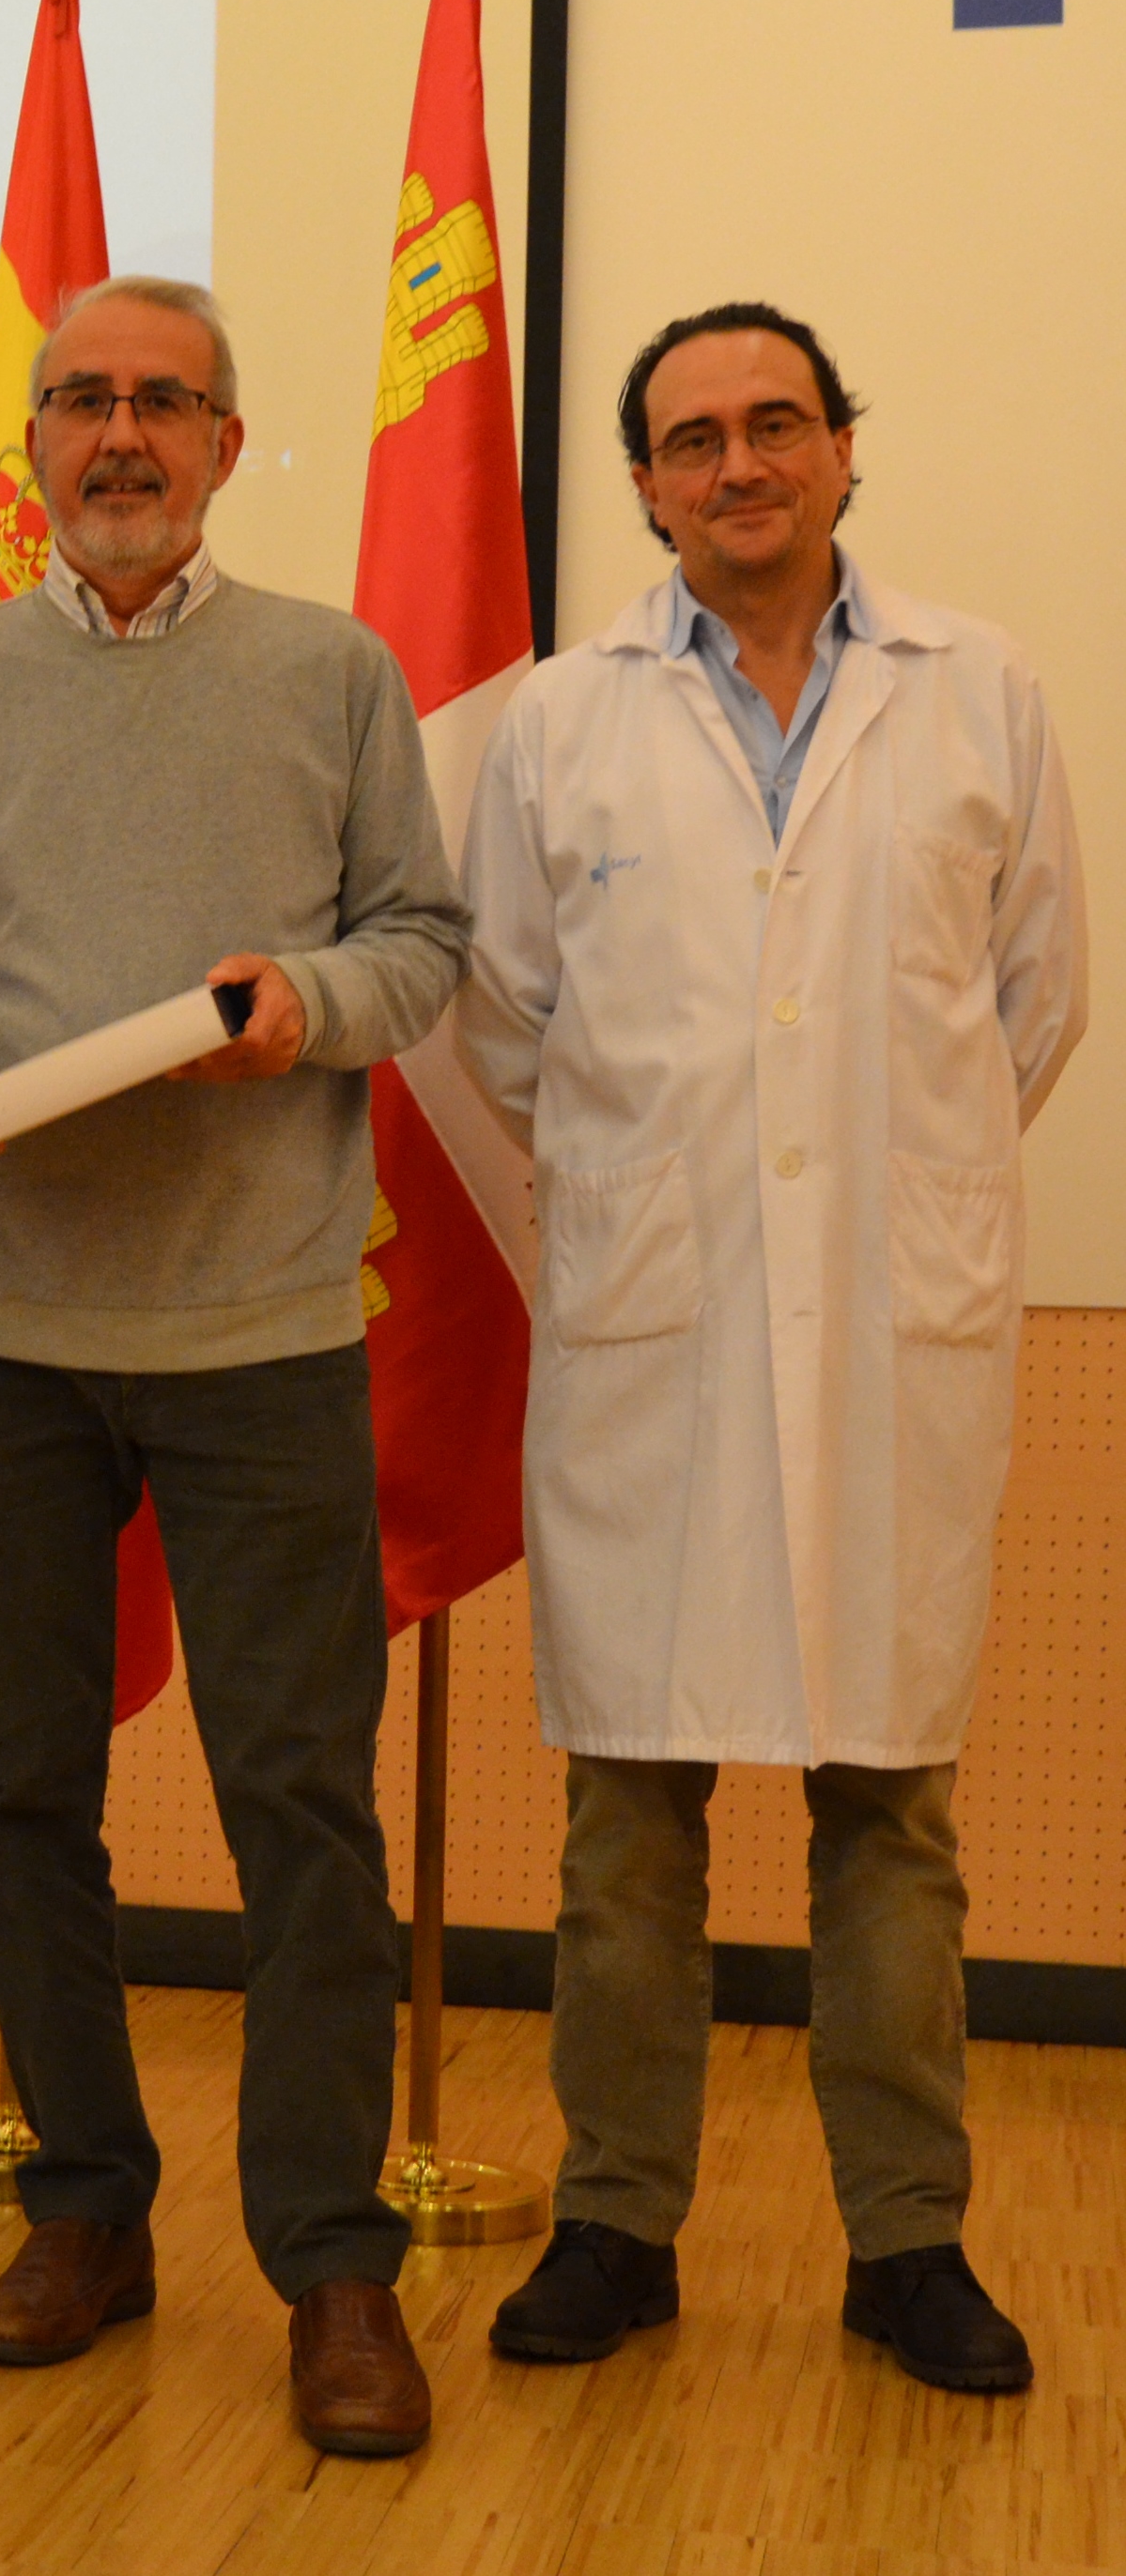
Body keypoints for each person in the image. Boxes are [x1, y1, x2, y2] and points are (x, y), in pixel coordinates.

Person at [0, 276, 470, 2457]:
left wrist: (307, 1005)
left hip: (260, 1327)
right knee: (23, 1790)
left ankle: (334, 2266)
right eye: (83, 399)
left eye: (163, 402)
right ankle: (87, 2213)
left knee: (301, 1800)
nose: (121, 435)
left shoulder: (336, 670)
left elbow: (423, 946)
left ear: (224, 438)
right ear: (34, 440)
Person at [457, 302, 1086, 2395]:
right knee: (628, 1820)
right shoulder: (564, 718)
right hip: (660, 1326)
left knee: (890, 1811)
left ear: (840, 448)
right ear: (645, 484)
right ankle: (618, 2224)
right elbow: (508, 1017)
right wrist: (677, 1182)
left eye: (776, 423)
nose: (738, 462)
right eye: (693, 437)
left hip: (891, 1329)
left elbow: (1035, 1000)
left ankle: (909, 2243)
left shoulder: (978, 688)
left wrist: (881, 1188)